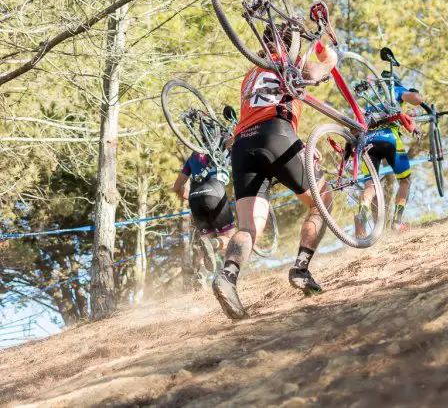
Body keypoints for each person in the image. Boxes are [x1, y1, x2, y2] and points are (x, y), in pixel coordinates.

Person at [212, 23, 337, 320]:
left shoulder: (251, 74)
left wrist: (298, 140)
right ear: (288, 43)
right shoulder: (287, 60)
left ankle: (227, 277)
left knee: (248, 228)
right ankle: (301, 269)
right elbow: (319, 72)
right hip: (275, 134)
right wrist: (326, 53)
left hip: (243, 145)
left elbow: (265, 107)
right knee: (323, 200)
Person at [356, 72, 424, 233]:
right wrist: (414, 94)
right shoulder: (395, 89)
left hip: (368, 141)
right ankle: (397, 222)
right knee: (405, 181)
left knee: (370, 186)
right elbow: (417, 100)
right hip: (389, 139)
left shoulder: (371, 98)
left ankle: (361, 218)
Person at [172, 149, 236, 287]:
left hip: (195, 197)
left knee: (206, 241)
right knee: (229, 239)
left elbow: (177, 187)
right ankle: (215, 248)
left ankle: (201, 275)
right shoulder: (220, 146)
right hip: (215, 190)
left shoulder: (193, 156)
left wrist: (191, 196)